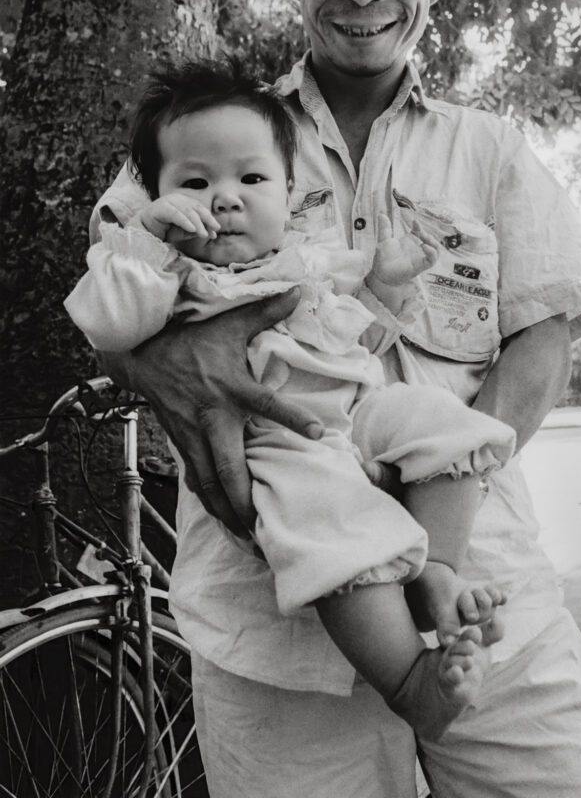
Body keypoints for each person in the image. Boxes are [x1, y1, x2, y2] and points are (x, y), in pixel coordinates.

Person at [92, 0, 581, 798]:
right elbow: (111, 300)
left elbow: (538, 345)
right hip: (269, 607)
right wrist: (154, 360)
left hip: (481, 598)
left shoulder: (489, 149)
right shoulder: (204, 140)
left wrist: (427, 522)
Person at [66, 59, 517, 740]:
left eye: (251, 179)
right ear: (153, 194)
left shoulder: (304, 261)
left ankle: (439, 576)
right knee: (333, 532)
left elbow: (357, 331)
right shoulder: (169, 275)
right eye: (193, 182)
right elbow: (110, 324)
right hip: (276, 441)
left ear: (287, 192)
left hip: (355, 411)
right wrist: (149, 240)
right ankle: (409, 683)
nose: (225, 197)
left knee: (446, 426)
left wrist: (387, 286)